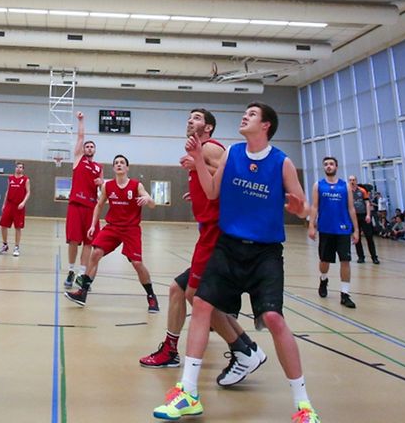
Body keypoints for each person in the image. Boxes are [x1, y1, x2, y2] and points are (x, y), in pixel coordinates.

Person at [154, 102, 319, 423]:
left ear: (266, 125)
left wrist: (301, 210)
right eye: (245, 112)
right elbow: (213, 192)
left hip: (265, 252)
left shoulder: (281, 163)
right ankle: (188, 392)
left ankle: (304, 406)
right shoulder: (232, 153)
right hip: (228, 246)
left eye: (253, 114)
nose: (245, 115)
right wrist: (199, 161)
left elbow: (304, 209)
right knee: (200, 303)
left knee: (273, 318)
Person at [140, 109, 265, 385]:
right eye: (189, 117)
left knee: (196, 297)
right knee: (178, 289)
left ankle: (243, 351)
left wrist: (199, 165)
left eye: (196, 118)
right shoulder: (201, 150)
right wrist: (196, 188)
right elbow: (213, 183)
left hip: (217, 233)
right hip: (207, 231)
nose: (190, 120)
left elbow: (234, 178)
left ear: (208, 128)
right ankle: (174, 350)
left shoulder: (210, 147)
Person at [64, 154, 159, 312]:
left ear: (127, 168)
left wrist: (147, 199)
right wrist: (93, 225)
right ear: (114, 168)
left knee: (137, 263)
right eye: (116, 163)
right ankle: (82, 293)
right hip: (113, 227)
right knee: (96, 254)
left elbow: (153, 205)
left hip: (131, 229)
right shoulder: (107, 186)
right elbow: (99, 206)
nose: (119, 165)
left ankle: (151, 296)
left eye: (122, 163)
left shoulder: (136, 185)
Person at [309, 157, 357, 309]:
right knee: (324, 261)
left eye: (331, 164)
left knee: (345, 260)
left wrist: (356, 229)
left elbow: (351, 208)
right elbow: (314, 207)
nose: (328, 166)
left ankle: (345, 294)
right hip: (325, 229)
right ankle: (323, 279)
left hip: (343, 229)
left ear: (336, 166)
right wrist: (311, 225)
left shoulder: (345, 186)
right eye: (326, 164)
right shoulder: (319, 185)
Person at [63, 111, 104, 289]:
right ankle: (71, 270)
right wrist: (81, 120)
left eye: (91, 147)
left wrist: (102, 183)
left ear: (95, 150)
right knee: (73, 240)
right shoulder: (78, 159)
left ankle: (81, 273)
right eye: (86, 146)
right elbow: (80, 137)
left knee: (89, 243)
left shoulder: (99, 167)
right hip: (76, 205)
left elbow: (102, 190)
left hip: (91, 208)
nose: (88, 148)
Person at [0, 162, 30, 256]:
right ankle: (4, 245)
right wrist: (4, 204)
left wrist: (23, 202)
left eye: (21, 167)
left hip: (19, 206)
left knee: (18, 227)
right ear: (15, 168)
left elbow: (28, 192)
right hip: (9, 205)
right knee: (3, 225)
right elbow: (7, 191)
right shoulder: (10, 178)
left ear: (23, 169)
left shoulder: (25, 179)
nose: (19, 169)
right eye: (17, 167)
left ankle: (16, 247)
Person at [350, 176, 378, 264]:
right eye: (350, 180)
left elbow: (367, 203)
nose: (352, 182)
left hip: (364, 215)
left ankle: (374, 257)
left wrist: (368, 215)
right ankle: (361, 257)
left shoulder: (362, 190)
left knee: (369, 237)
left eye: (353, 180)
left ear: (356, 181)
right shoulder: (347, 192)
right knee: (356, 237)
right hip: (354, 217)